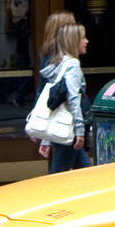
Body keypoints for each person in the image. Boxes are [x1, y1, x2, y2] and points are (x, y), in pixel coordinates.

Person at [38, 22, 91, 174]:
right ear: (74, 41)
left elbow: (55, 102)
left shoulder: (61, 64)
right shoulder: (72, 65)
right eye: (83, 38)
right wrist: (80, 131)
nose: (86, 41)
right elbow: (73, 99)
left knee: (85, 172)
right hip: (70, 130)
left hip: (65, 128)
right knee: (58, 177)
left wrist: (46, 138)